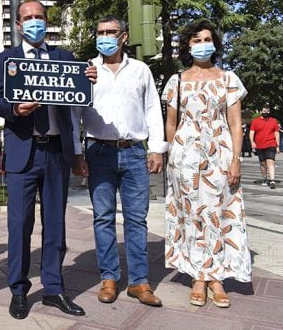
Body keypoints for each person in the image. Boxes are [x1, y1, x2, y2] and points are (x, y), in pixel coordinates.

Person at [0, 0, 95, 320]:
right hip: (23, 149)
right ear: (18, 25)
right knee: (19, 224)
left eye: (39, 17)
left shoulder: (65, 58)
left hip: (56, 152)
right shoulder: (6, 60)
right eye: (27, 18)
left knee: (56, 225)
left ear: (47, 22)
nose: (34, 22)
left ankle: (53, 288)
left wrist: (88, 77)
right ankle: (18, 291)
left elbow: (78, 104)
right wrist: (13, 108)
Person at [163, 19, 251, 308]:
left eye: (207, 39)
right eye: (196, 39)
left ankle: (217, 277)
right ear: (188, 44)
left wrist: (236, 159)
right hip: (185, 159)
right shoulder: (176, 81)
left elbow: (236, 123)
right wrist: (174, 157)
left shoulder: (229, 79)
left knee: (220, 213)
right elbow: (171, 123)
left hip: (220, 155)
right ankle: (198, 276)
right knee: (191, 215)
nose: (202, 44)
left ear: (215, 43)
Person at [79, 16, 166, 307]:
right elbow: (73, 112)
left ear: (124, 37)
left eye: (111, 32)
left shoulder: (140, 70)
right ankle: (110, 278)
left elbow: (153, 109)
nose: (105, 36)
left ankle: (139, 282)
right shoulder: (86, 71)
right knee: (103, 218)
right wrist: (77, 154)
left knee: (136, 219)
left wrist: (156, 149)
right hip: (98, 152)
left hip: (134, 151)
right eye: (100, 32)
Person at [250, 107, 280, 189]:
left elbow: (277, 134)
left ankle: (272, 180)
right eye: (264, 110)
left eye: (267, 111)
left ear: (269, 111)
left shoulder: (273, 121)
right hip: (260, 145)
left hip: (271, 144)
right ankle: (264, 178)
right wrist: (252, 142)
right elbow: (251, 133)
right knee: (263, 163)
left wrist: (278, 146)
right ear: (261, 111)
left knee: (270, 162)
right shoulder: (255, 121)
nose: (266, 112)